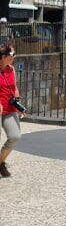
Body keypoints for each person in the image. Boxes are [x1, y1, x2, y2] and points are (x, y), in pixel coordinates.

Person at [0, 44, 25, 180]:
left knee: (15, 136)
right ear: (3, 57)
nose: (13, 58)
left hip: (9, 108)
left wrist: (18, 105)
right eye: (11, 56)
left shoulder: (12, 70)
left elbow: (14, 88)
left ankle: (0, 162)